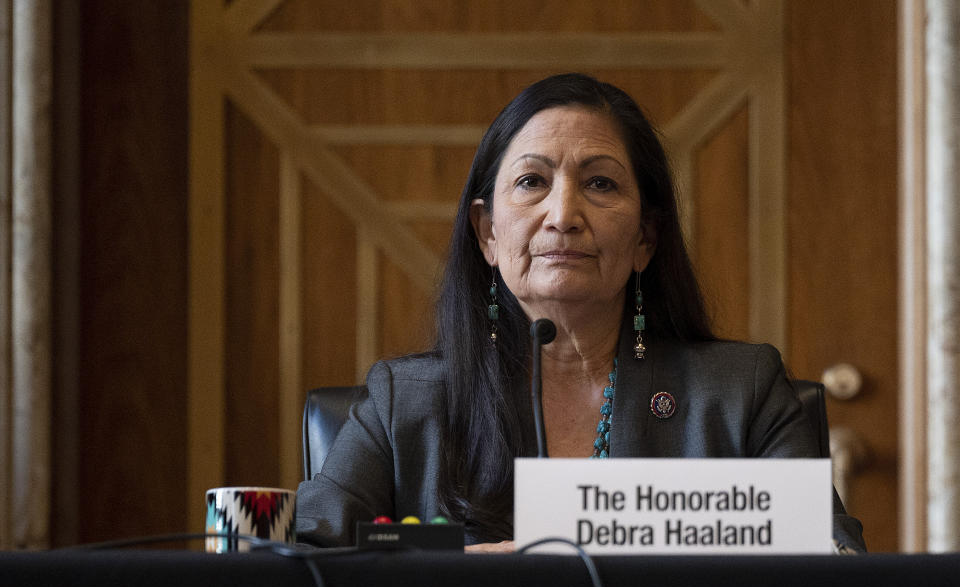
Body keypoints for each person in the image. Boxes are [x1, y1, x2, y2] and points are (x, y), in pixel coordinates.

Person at [296, 73, 866, 552]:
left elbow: (835, 562)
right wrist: (454, 563)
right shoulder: (406, 402)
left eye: (599, 183)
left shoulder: (741, 395)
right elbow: (310, 550)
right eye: (531, 182)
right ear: (488, 233)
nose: (563, 213)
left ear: (646, 237)